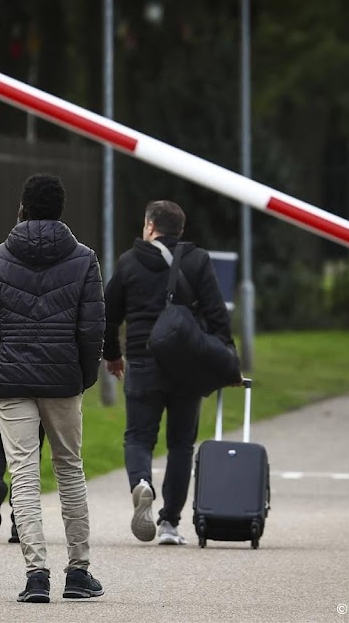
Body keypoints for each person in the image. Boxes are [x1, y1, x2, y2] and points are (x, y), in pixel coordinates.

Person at [0, 173, 106, 603]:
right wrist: (83, 376)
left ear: (22, 206)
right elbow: (92, 330)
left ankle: (36, 575)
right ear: (61, 209)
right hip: (64, 377)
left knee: (23, 473)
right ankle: (79, 570)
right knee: (70, 468)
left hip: (10, 381)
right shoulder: (84, 259)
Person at [102, 199, 236, 546]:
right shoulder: (197, 260)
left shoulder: (129, 262)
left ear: (149, 226)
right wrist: (225, 356)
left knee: (138, 437)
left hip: (142, 361)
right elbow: (217, 314)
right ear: (181, 229)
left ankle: (141, 483)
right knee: (181, 444)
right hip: (186, 365)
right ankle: (169, 524)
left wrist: (113, 355)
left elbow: (109, 313)